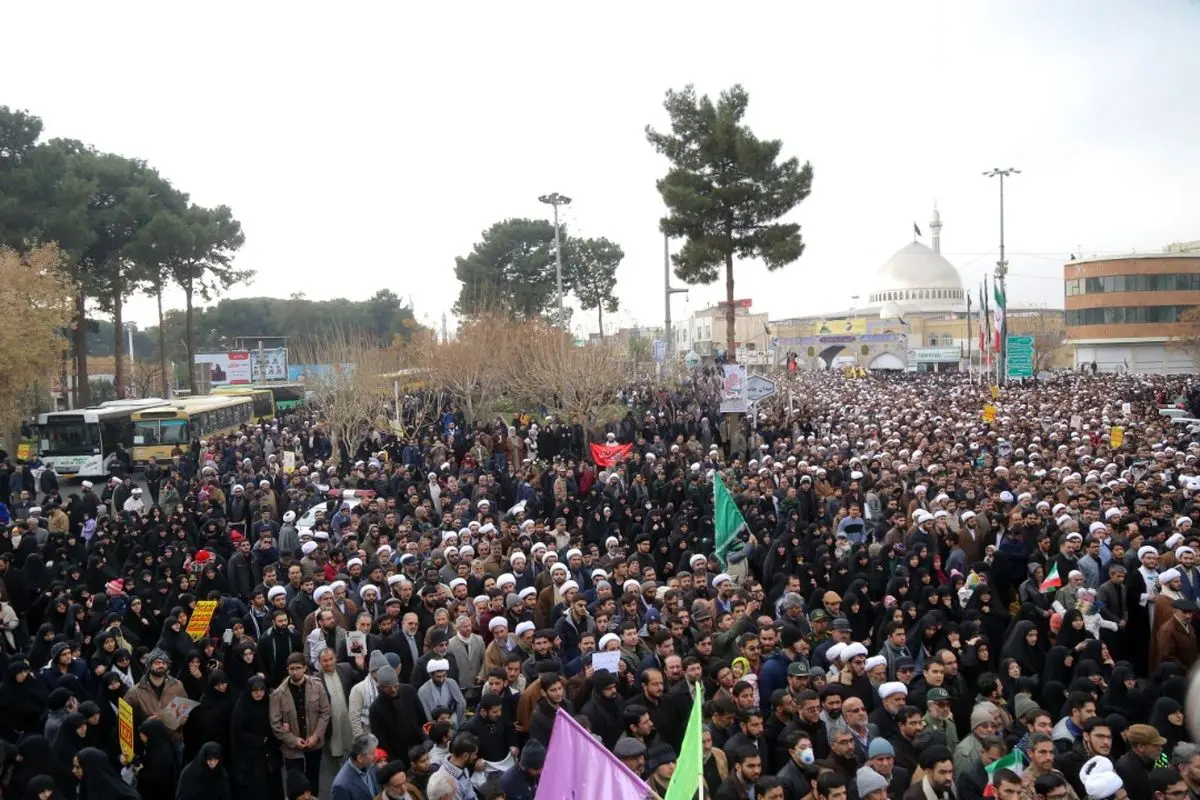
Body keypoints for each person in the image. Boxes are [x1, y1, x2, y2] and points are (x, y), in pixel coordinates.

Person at [270, 652, 332, 791]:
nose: (294, 672)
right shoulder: (279, 693)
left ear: (305, 668)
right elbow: (275, 723)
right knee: (295, 783)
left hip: (314, 743)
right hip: (292, 748)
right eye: (291, 669)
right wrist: (293, 740)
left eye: (298, 668)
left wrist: (316, 735)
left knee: (313, 779)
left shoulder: (317, 686)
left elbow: (325, 711)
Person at [332, 734, 383, 800]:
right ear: (360, 758)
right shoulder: (341, 785)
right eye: (372, 753)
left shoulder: (371, 764)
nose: (376, 755)